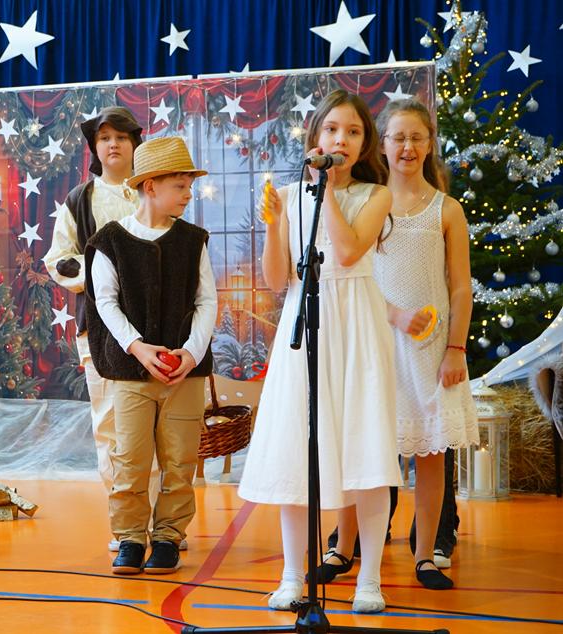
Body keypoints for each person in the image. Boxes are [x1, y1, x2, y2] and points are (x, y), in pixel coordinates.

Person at [237, 90, 400, 613]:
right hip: (304, 323)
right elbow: (276, 279)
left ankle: (369, 579)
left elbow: (348, 251)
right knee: (296, 444)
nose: (340, 139)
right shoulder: (287, 196)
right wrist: (273, 224)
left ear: (365, 143)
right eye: (331, 129)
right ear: (315, 137)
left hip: (356, 324)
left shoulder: (376, 195)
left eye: (352, 132)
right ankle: (292, 575)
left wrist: (323, 189)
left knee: (366, 444)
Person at [327, 99, 478, 591]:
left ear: (429, 144)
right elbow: (353, 271)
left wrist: (455, 348)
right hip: (374, 341)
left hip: (430, 351)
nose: (407, 147)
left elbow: (460, 287)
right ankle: (342, 546)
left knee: (430, 455)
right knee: (362, 448)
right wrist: (394, 315)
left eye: (417, 137)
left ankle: (426, 554)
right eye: (398, 137)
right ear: (383, 146)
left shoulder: (446, 210)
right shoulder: (370, 202)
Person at [85, 136, 217, 575]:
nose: (188, 194)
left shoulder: (194, 240)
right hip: (131, 373)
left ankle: (167, 537)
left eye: (189, 186)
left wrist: (191, 354)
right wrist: (137, 347)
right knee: (130, 458)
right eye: (180, 186)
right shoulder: (110, 241)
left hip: (185, 375)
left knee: (180, 461)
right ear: (150, 186)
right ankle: (129, 537)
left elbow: (207, 301)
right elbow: (105, 303)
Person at [44, 106, 154, 552]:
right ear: (95, 148)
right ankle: (127, 524)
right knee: (110, 425)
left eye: (121, 137)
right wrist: (104, 274)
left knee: (155, 426)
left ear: (134, 144)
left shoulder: (153, 190)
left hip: (154, 326)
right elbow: (58, 259)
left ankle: (161, 523)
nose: (113, 144)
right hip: (100, 329)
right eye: (105, 138)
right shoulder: (79, 200)